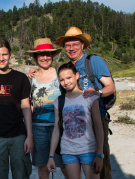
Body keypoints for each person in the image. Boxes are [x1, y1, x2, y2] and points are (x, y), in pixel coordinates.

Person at [55, 27, 116, 179]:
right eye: (68, 45)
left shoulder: (93, 61)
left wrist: (97, 93)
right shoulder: (68, 68)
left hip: (97, 119)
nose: (71, 48)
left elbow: (110, 87)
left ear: (82, 44)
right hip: (76, 123)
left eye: (75, 44)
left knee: (100, 165)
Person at [0, 39, 33, 179]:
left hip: (19, 137)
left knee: (22, 175)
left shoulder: (21, 78)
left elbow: (26, 108)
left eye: (4, 54)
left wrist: (30, 136)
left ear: (10, 54)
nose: (1, 58)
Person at [47, 62, 104, 179]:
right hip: (68, 151)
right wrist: (51, 156)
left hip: (89, 150)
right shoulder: (59, 101)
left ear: (77, 75)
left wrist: (99, 154)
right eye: (62, 79)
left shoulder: (90, 98)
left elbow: (98, 126)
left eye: (69, 78)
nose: (66, 82)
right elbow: (57, 129)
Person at [26, 38, 68, 179]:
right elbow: (29, 104)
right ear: (36, 57)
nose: (45, 57)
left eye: (48, 54)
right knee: (43, 169)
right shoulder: (31, 77)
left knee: (65, 167)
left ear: (52, 56)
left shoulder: (60, 74)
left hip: (60, 127)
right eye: (41, 54)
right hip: (38, 129)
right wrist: (29, 132)